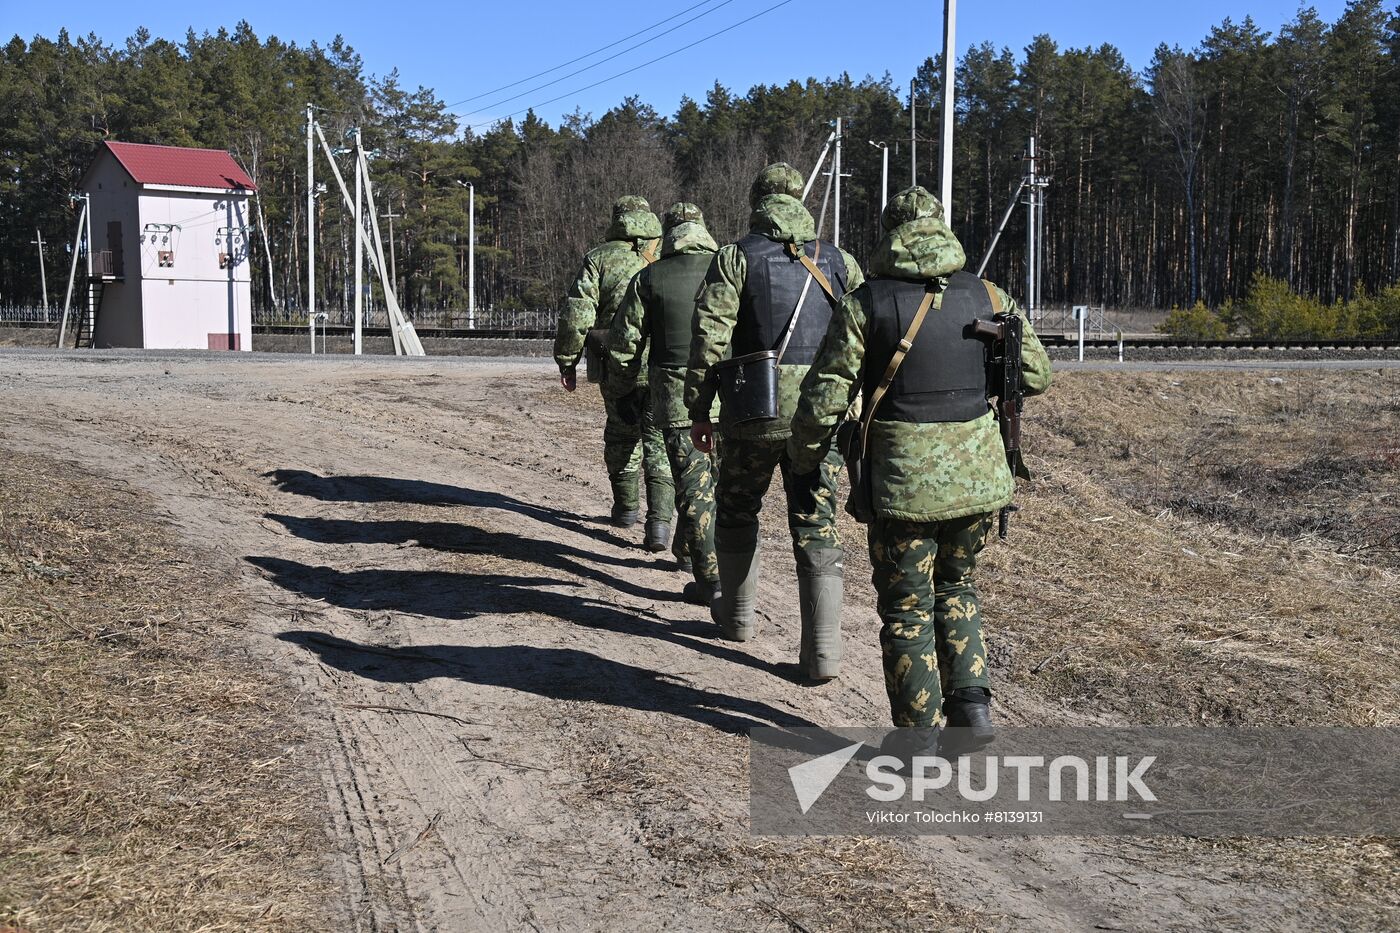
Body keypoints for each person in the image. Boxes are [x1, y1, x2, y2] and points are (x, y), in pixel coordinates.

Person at [787, 186, 1052, 748]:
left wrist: (805, 456)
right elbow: (1036, 376)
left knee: (907, 610)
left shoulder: (868, 301)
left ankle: (916, 743)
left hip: (905, 483)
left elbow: (826, 396)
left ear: (890, 234)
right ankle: (972, 711)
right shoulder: (990, 293)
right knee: (958, 587)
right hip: (981, 478)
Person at [684, 163, 864, 683]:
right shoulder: (838, 260)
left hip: (752, 412)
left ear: (758, 202)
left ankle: (738, 619)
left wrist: (701, 409)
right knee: (816, 518)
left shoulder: (736, 257)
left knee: (738, 507)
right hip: (821, 414)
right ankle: (823, 654)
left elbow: (710, 338)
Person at [607, 203, 722, 604]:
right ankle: (691, 554)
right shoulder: (730, 269)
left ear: (667, 234)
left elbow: (624, 347)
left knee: (692, 487)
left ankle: (710, 580)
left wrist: (621, 392)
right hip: (736, 394)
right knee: (722, 486)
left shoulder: (649, 277)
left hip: (676, 397)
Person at [555, 196, 673, 549]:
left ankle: (624, 511)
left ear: (617, 220)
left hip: (615, 363)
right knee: (659, 442)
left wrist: (567, 360)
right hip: (664, 364)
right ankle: (660, 525)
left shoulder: (600, 258)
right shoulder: (671, 254)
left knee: (621, 436)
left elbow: (578, 314)